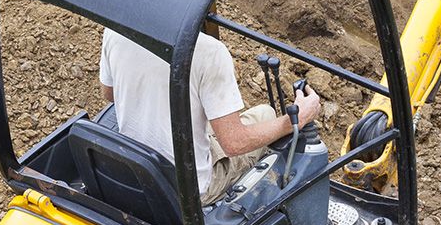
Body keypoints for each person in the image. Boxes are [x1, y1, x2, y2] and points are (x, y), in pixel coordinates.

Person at [99, 28, 320, 205]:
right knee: (266, 113)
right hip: (188, 190)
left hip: (136, 168)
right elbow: (234, 143)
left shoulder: (115, 30)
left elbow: (109, 93)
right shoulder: (208, 52)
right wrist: (296, 120)